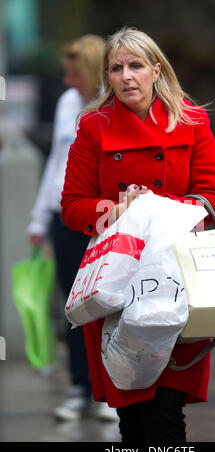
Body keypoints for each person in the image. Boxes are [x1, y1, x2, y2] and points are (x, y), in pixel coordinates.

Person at [61, 27, 215, 442]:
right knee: (132, 417)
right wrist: (119, 210)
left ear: (156, 70)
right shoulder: (92, 128)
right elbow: (73, 206)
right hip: (117, 281)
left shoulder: (192, 120)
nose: (127, 76)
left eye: (136, 66)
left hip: (177, 278)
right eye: (116, 68)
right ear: (107, 77)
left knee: (166, 414)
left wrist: (157, 209)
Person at [27, 35, 118, 422]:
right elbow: (56, 163)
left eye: (72, 73)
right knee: (73, 307)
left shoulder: (113, 106)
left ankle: (109, 390)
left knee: (108, 302)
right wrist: (38, 217)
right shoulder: (68, 103)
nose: (67, 82)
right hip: (62, 214)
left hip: (101, 216)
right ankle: (80, 387)